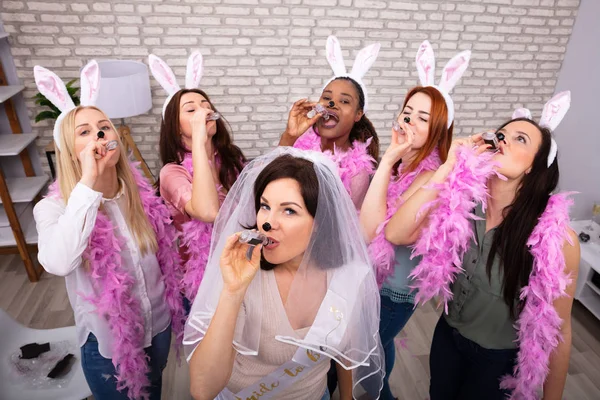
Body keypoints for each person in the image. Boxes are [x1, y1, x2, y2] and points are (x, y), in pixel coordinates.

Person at [405, 91, 579, 400]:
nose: (503, 139)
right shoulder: (459, 204)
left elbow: (559, 331)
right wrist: (448, 165)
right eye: (501, 134)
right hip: (447, 337)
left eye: (520, 139)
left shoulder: (556, 239)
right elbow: (396, 232)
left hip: (497, 360)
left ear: (533, 168)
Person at [33, 61, 185, 400]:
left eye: (104, 127)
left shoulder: (141, 195)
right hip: (110, 346)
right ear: (70, 151)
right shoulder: (54, 208)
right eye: (84, 132)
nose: (99, 134)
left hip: (158, 327)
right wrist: (88, 183)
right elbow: (58, 262)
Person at [183, 147, 384, 400]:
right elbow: (202, 390)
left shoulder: (349, 276)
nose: (268, 223)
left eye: (289, 210)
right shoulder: (244, 274)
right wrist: (233, 292)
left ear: (320, 220)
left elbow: (348, 352)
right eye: (264, 206)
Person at [360, 40, 470, 400]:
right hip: (375, 280)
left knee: (368, 352)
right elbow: (367, 228)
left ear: (440, 130)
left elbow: (389, 231)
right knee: (377, 346)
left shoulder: (432, 177)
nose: (410, 120)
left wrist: (395, 158)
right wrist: (391, 158)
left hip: (395, 292)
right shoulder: (404, 165)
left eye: (424, 118)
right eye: (408, 111)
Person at [150, 52, 246, 304]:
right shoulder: (172, 173)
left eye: (206, 105)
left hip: (239, 264)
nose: (204, 111)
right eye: (191, 109)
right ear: (174, 126)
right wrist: (199, 142)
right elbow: (208, 212)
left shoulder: (230, 159)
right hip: (200, 279)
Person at [279, 35, 380, 209]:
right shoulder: (298, 145)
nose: (332, 104)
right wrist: (290, 136)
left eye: (345, 101)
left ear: (358, 114)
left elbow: (333, 225)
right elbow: (267, 182)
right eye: (327, 98)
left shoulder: (357, 173)